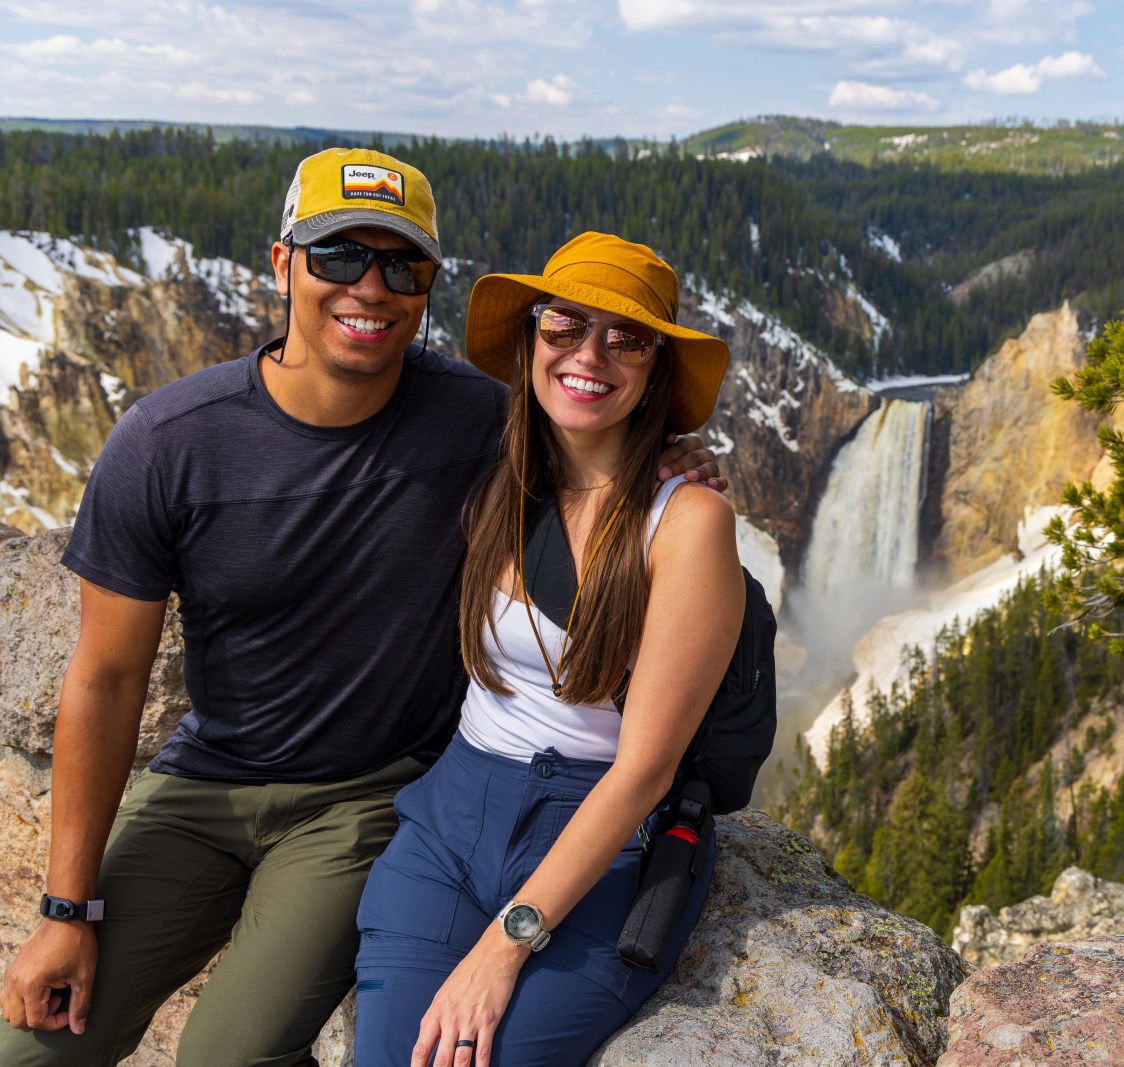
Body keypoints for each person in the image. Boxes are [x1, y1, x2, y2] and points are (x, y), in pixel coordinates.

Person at [0, 149, 723, 1066]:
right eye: (339, 255)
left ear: (426, 288)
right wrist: (66, 909)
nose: (370, 288)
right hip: (202, 787)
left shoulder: (479, 421)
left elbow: (593, 437)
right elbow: (102, 680)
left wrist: (679, 461)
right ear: (281, 263)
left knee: (224, 1054)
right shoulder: (167, 444)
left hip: (363, 799)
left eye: (401, 266)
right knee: (28, 1051)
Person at [352, 232, 743, 1067]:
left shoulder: (687, 523)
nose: (589, 355)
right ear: (531, 337)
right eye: (564, 326)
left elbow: (645, 769)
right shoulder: (499, 476)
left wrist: (505, 944)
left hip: (599, 832)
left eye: (626, 338)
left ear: (656, 369)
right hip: (451, 815)